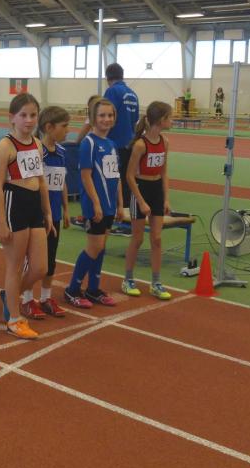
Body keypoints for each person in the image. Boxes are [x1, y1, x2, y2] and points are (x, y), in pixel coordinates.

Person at [0, 93, 54, 340]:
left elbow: (41, 180)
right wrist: (1, 222)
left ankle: (9, 294)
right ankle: (14, 320)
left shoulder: (37, 144)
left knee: (40, 267)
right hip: (14, 202)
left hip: (34, 204)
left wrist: (47, 211)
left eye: (33, 115)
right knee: (15, 266)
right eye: (23, 115)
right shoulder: (5, 146)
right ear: (12, 118)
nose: (29, 120)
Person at [64, 97, 123, 308]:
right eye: (102, 115)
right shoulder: (89, 143)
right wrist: (96, 203)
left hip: (109, 205)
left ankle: (93, 289)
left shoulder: (112, 144)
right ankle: (72, 289)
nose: (107, 119)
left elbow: (116, 176)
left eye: (110, 115)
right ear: (93, 118)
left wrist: (120, 204)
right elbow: (86, 176)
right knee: (93, 247)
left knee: (101, 247)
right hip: (95, 205)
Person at [20, 106, 70, 318]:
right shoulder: (37, 152)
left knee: (50, 259)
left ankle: (46, 297)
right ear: (49, 127)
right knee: (33, 261)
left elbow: (62, 182)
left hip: (55, 214)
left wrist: (66, 209)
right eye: (64, 126)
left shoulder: (61, 153)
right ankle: (26, 298)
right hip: (36, 215)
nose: (68, 130)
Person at [122, 101, 173, 301]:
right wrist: (141, 201)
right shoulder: (140, 145)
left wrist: (166, 198)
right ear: (161, 120)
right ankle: (128, 279)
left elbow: (164, 172)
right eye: (170, 117)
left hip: (156, 190)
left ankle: (156, 282)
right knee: (138, 238)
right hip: (140, 190)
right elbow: (129, 176)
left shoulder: (165, 142)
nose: (172, 121)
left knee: (157, 238)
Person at [103, 63, 139, 211]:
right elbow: (135, 120)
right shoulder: (133, 94)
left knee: (112, 178)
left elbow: (106, 115)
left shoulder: (112, 91)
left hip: (115, 143)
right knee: (126, 178)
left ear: (107, 77)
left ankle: (113, 210)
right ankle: (125, 211)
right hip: (130, 143)